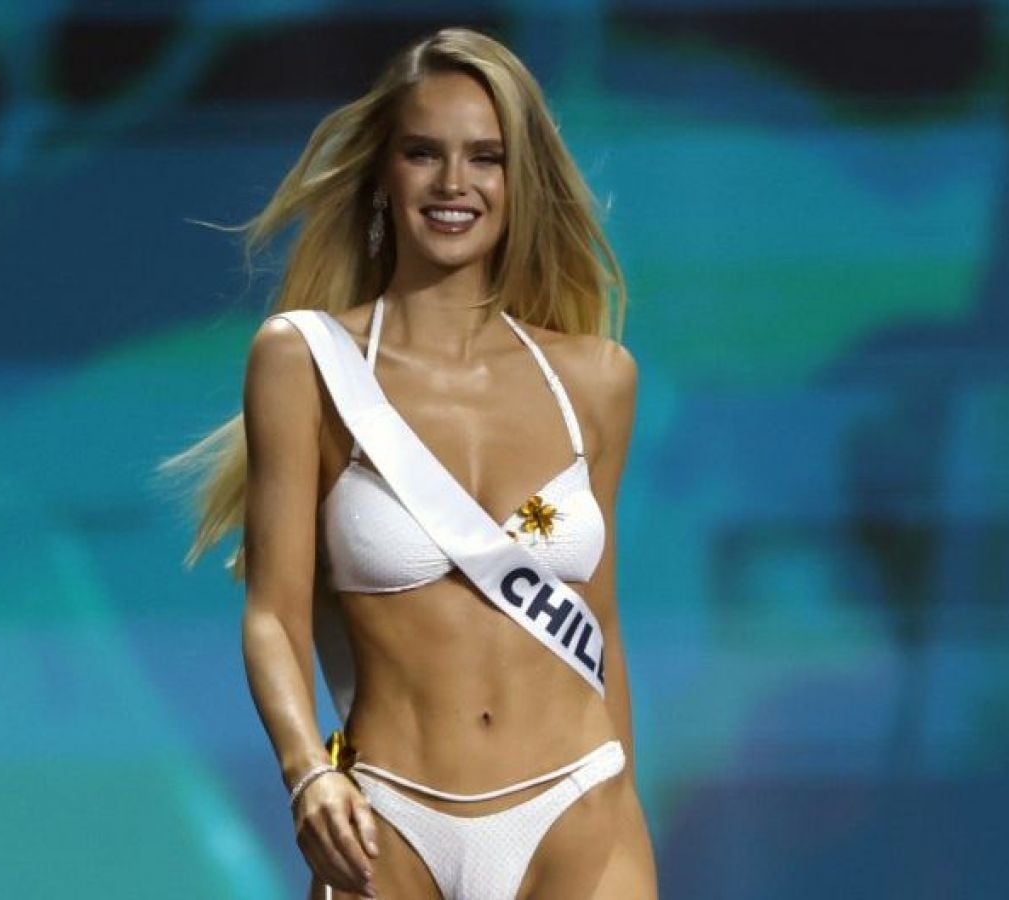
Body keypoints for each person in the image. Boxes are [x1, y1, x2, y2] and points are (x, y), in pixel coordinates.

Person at [166, 26, 656, 899]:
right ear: (383, 175)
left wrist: (626, 799)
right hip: (388, 823)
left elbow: (601, 627)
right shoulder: (304, 361)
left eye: (486, 158)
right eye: (424, 153)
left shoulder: (597, 379)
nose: (454, 183)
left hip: (580, 811)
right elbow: (273, 615)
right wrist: (308, 774)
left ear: (520, 181)